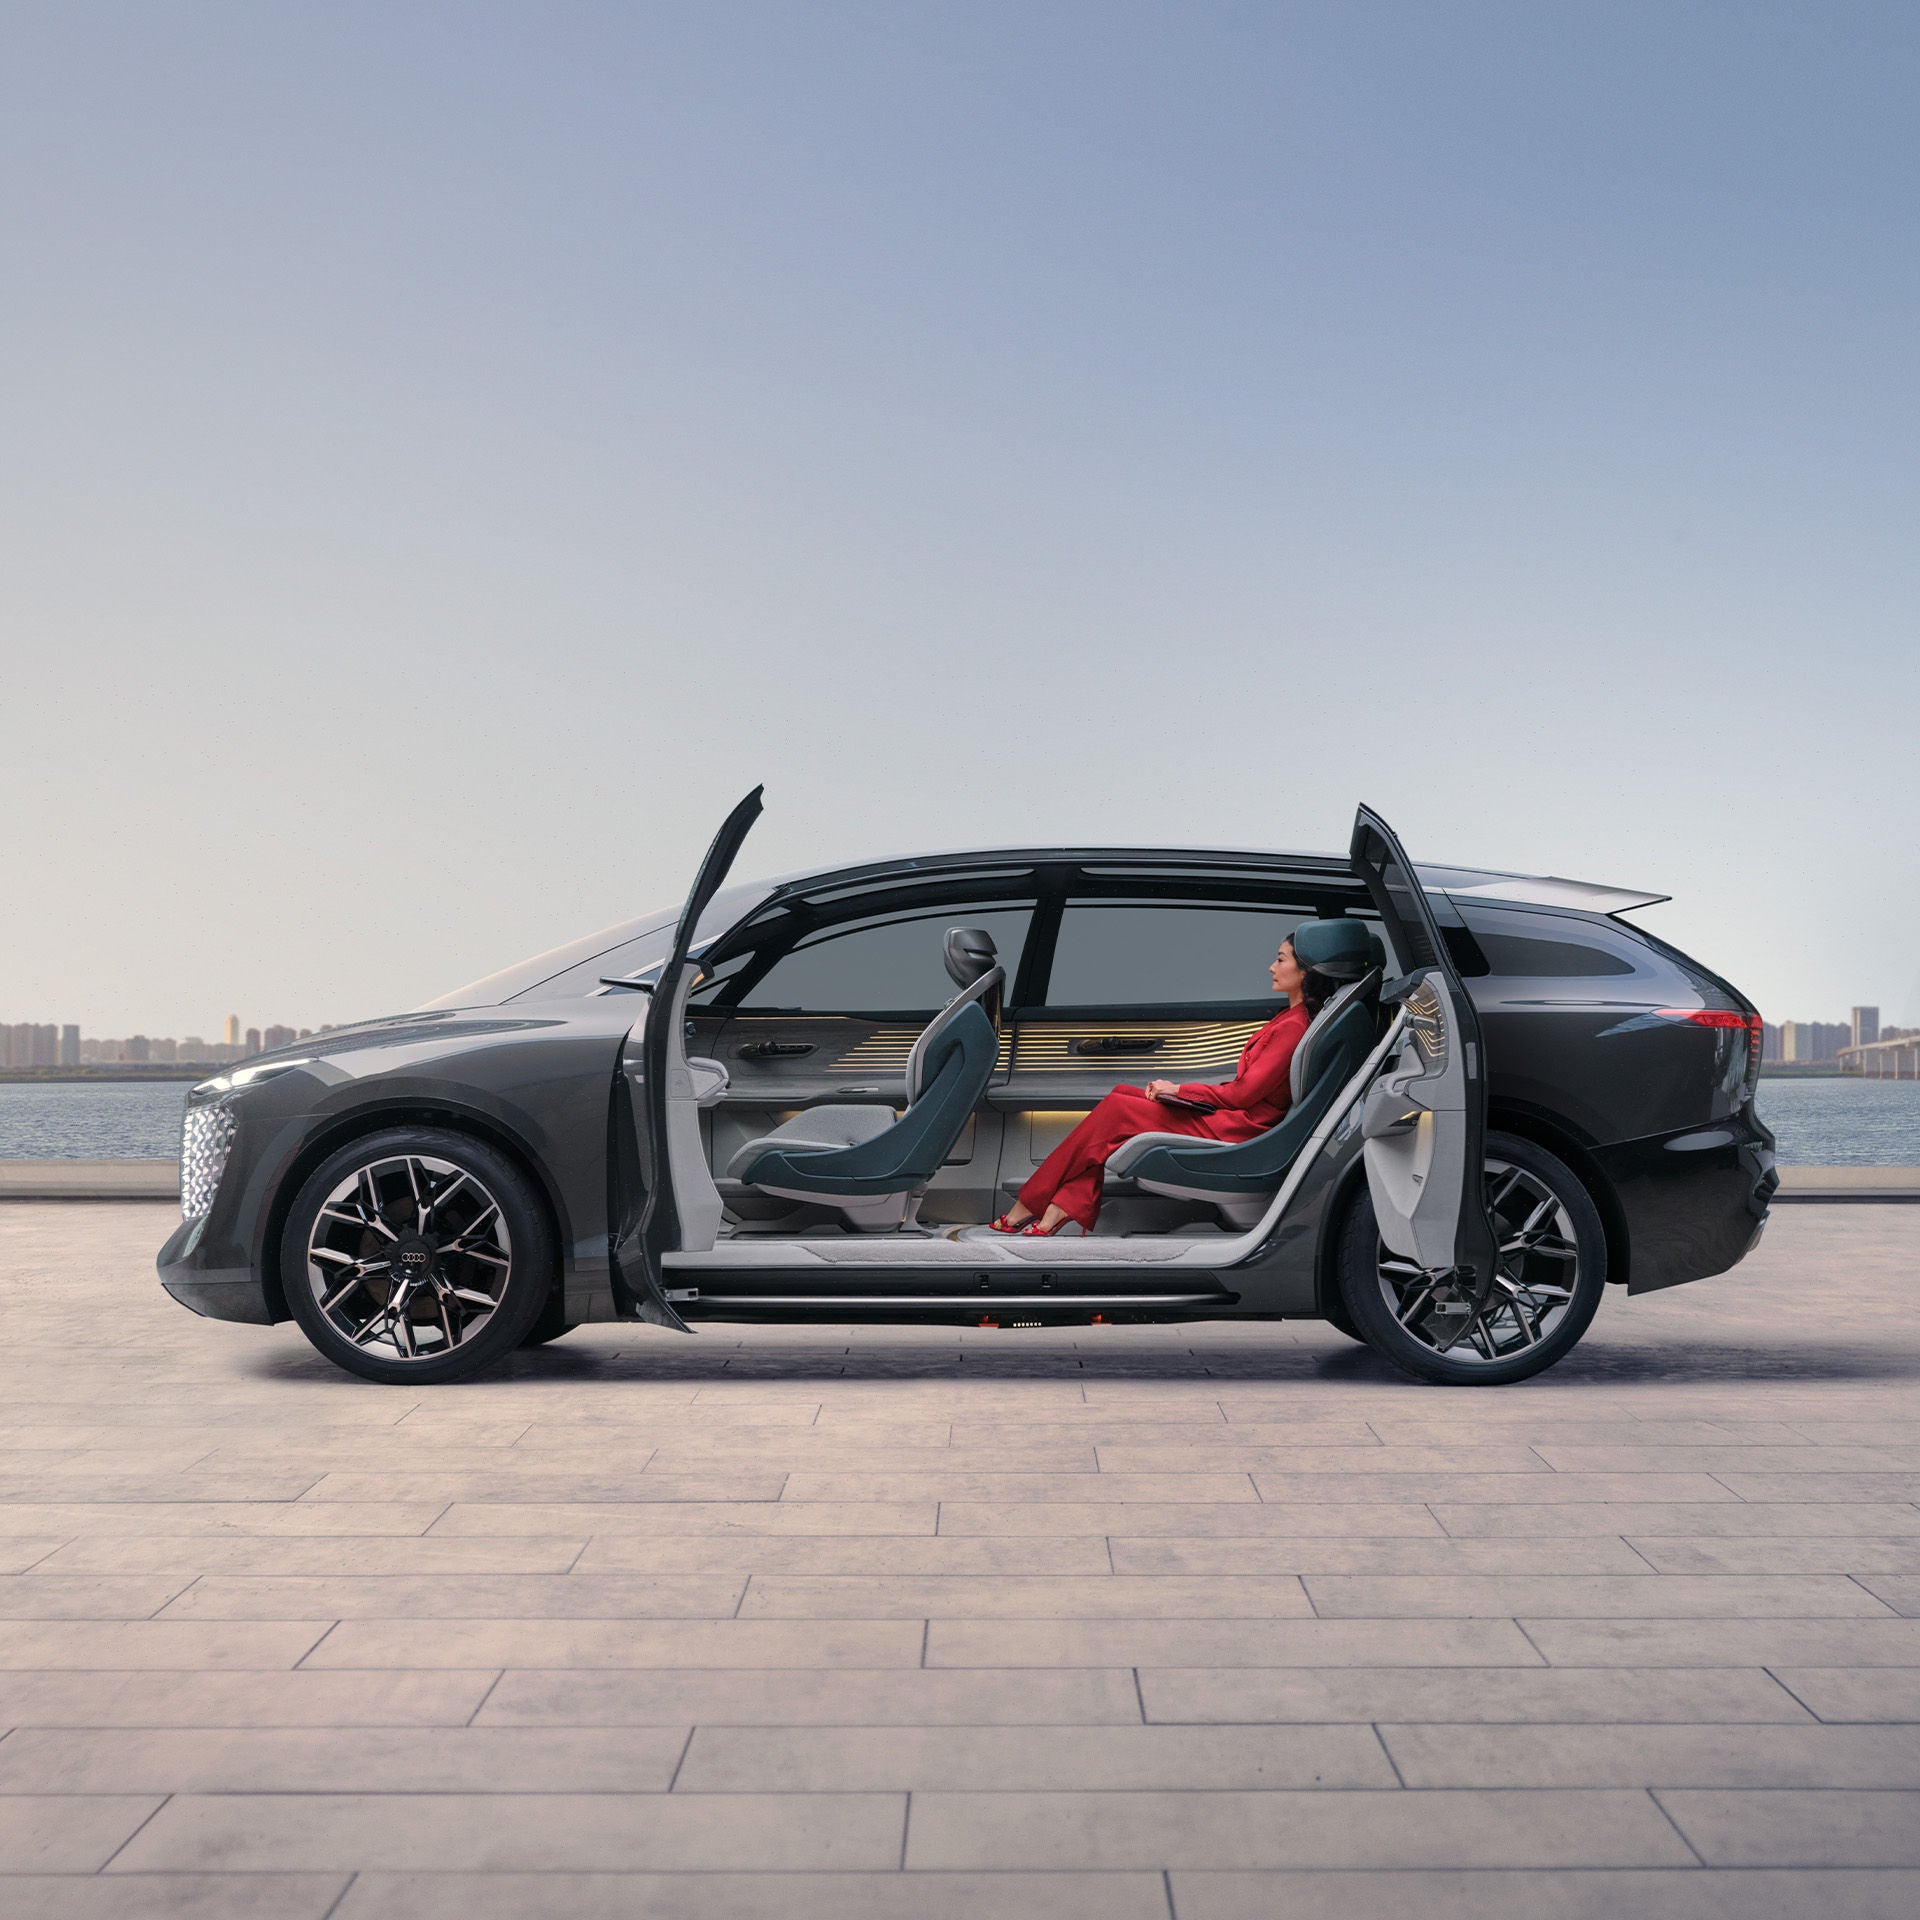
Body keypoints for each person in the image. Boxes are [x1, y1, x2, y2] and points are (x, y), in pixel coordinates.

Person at [991, 931, 1343, 1236]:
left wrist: (1179, 1090)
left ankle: (1031, 1204)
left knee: (1117, 1108)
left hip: (1241, 1130)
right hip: (1238, 1119)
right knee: (1121, 1096)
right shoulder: (1289, 1018)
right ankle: (1064, 1205)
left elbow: (1244, 1093)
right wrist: (1179, 1095)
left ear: (1305, 971)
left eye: (1280, 959)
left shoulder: (1293, 1028)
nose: (1271, 966)